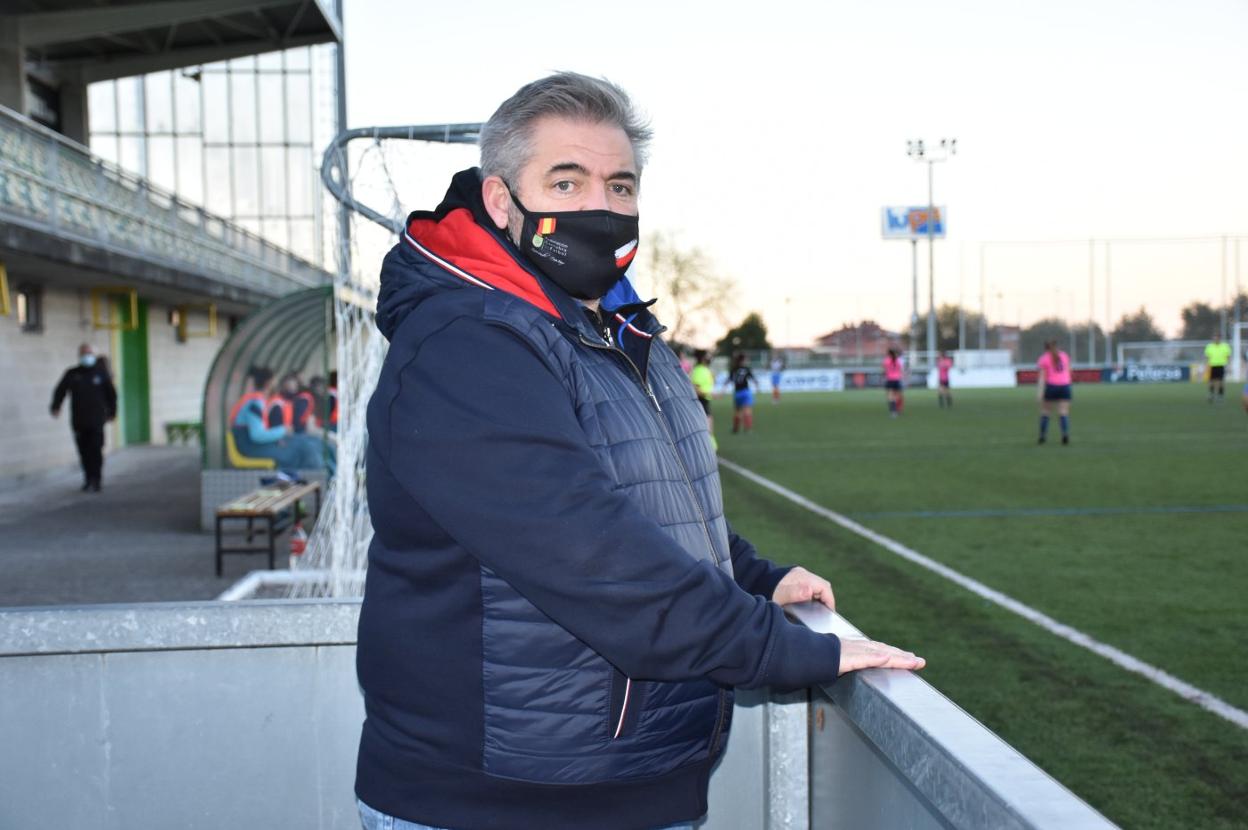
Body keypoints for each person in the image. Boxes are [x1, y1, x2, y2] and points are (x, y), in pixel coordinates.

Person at [356, 72, 923, 830]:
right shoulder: (467, 344)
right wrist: (785, 651)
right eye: (568, 181)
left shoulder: (618, 329)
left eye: (620, 186)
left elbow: (643, 496)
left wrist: (755, 575)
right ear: (499, 201)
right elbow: (589, 552)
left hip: (626, 785)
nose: (601, 207)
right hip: (502, 805)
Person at [50, 343, 117, 492]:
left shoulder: (101, 374)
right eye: (84, 353)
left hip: (97, 420)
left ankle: (97, 479)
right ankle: (88, 479)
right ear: (79, 356)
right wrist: (56, 406)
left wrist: (112, 412)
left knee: (96, 449)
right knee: (84, 451)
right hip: (79, 420)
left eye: (89, 353)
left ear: (93, 355)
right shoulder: (73, 374)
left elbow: (111, 395)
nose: (87, 356)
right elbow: (60, 390)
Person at [230, 367, 325, 470]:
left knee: (307, 442)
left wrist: (277, 437)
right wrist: (283, 431)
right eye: (275, 381)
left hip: (254, 444)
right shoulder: (255, 403)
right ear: (268, 383)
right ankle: (312, 480)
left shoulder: (258, 400)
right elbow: (257, 435)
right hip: (250, 447)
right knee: (303, 448)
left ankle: (313, 479)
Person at [1036, 339, 1073, 445]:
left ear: (1045, 348)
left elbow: (1042, 378)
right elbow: (1069, 371)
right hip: (1065, 386)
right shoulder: (1064, 356)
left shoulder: (1044, 359)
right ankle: (1065, 434)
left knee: (1045, 412)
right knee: (1063, 412)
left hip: (1052, 386)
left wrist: (1040, 392)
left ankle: (1042, 436)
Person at [689, 349, 716, 448]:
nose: (710, 358)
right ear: (703, 358)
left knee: (707, 426)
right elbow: (696, 389)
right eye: (708, 356)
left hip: (705, 401)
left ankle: (710, 448)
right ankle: (710, 448)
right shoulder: (699, 371)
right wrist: (708, 394)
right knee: (706, 427)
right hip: (701, 402)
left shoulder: (703, 369)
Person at [726, 352, 758, 433]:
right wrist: (757, 386)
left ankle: (736, 428)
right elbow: (753, 379)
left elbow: (728, 380)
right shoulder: (747, 369)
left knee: (737, 411)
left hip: (737, 392)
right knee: (747, 410)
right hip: (746, 392)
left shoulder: (734, 369)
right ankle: (747, 429)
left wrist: (722, 390)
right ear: (743, 360)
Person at [1204, 332, 1231, 403]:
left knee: (1221, 382)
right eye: (1214, 338)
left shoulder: (1225, 346)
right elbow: (1207, 357)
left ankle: (1220, 395)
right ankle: (1211, 394)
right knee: (1211, 381)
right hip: (1212, 366)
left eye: (1217, 338)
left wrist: (1229, 365)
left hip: (1221, 365)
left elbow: (1228, 356)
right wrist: (1206, 366)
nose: (1215, 339)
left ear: (1219, 338)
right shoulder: (1209, 346)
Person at [883, 348, 905, 416]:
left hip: (889, 380)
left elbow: (884, 370)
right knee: (896, 396)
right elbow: (901, 370)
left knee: (890, 396)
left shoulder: (886, 361)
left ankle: (893, 410)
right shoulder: (898, 360)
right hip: (897, 380)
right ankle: (896, 409)